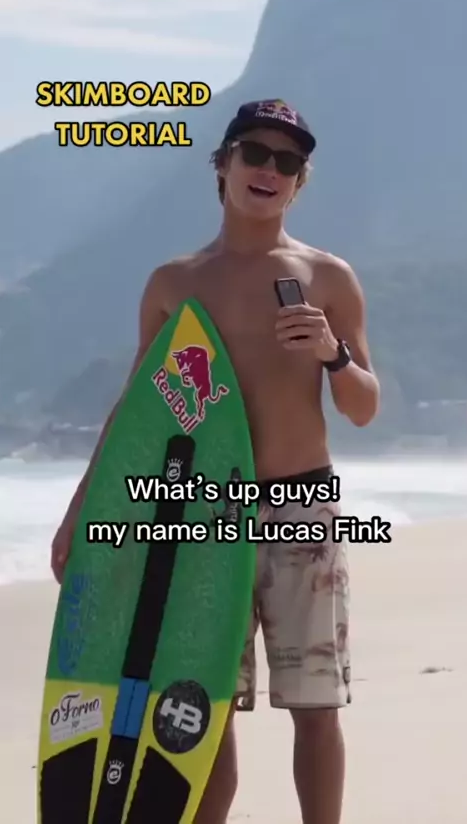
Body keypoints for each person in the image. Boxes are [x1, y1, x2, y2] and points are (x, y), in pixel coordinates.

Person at [51, 98, 380, 824]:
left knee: (316, 708)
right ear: (223, 164)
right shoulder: (175, 284)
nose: (269, 169)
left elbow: (363, 406)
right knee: (199, 711)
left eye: (287, 162)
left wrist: (332, 354)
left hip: (301, 506)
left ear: (299, 183)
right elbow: (135, 413)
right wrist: (81, 514)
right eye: (254, 153)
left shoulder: (328, 278)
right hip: (201, 516)